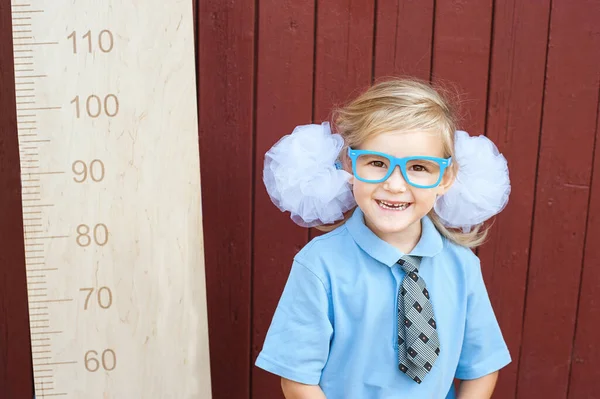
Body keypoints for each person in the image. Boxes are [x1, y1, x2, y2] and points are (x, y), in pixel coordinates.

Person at [255, 78, 512, 399]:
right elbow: (298, 381)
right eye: (377, 163)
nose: (395, 184)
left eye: (418, 167)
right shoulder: (319, 267)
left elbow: (482, 366)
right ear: (350, 164)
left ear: (445, 178)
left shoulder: (462, 267)